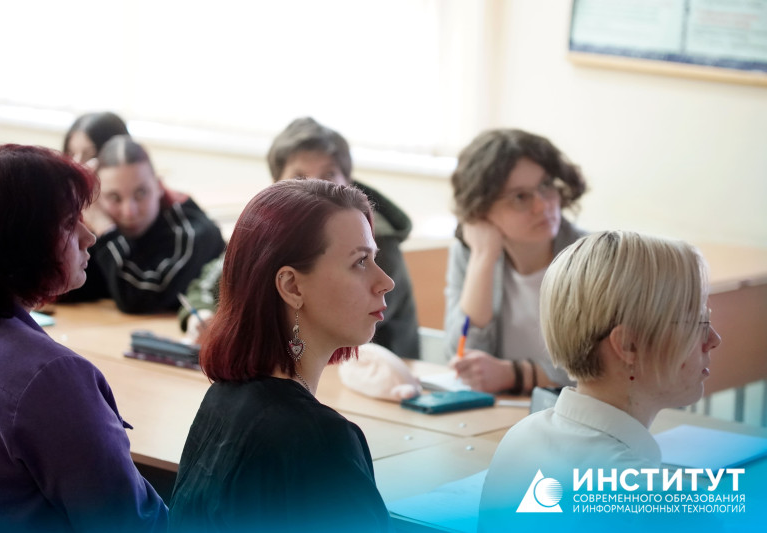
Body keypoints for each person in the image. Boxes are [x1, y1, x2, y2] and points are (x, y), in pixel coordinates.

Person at [169, 179, 394, 533]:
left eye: (374, 258)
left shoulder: (221, 399)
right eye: (360, 262)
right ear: (291, 286)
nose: (385, 281)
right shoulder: (320, 441)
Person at [0, 144, 168, 532]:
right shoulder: (50, 378)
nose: (89, 236)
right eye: (69, 222)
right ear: (21, 240)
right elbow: (132, 524)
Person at [478, 230, 721, 530]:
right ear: (629, 346)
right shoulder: (666, 504)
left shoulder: (520, 438)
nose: (713, 339)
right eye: (698, 323)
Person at [179, 117, 420, 358]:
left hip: (369, 371)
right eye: (300, 178)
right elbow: (210, 282)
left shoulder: (373, 242)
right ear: (276, 187)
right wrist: (202, 315)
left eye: (328, 174)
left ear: (348, 182)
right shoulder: (270, 229)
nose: (316, 187)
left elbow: (326, 327)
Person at [445, 128, 587, 393]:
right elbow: (463, 358)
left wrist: (515, 375)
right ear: (481, 209)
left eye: (546, 185)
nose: (542, 206)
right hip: (504, 412)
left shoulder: (594, 258)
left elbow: (609, 368)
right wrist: (483, 258)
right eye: (520, 197)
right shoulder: (469, 254)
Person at [62, 134, 226, 314]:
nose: (129, 211)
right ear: (98, 197)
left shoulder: (193, 231)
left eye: (141, 193)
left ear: (158, 186)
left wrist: (105, 229)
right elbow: (64, 286)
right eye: (114, 197)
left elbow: (138, 299)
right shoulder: (96, 216)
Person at [62, 111, 130, 235]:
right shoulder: (64, 206)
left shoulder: (134, 211)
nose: (77, 165)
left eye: (90, 155)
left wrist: (101, 223)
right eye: (71, 154)